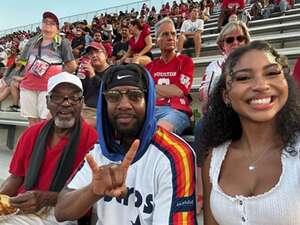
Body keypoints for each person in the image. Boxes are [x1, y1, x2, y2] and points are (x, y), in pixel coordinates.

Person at [54, 64, 197, 225]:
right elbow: (61, 211)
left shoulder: (175, 155)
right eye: (114, 96)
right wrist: (93, 190)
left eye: (135, 95)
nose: (124, 105)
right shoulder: (100, 151)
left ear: (148, 101)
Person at [198, 40, 300, 224]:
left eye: (272, 73)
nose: (261, 85)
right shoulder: (213, 159)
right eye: (244, 78)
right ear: (226, 96)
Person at [0, 72, 98, 224]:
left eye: (74, 97)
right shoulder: (32, 133)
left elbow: (87, 196)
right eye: (57, 97)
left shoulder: (93, 141)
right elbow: (16, 178)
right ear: (47, 102)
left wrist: (45, 198)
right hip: (24, 207)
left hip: (62, 211)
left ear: (81, 103)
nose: (66, 103)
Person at [18, 11, 77, 126]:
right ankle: (34, 143)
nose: (47, 26)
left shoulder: (62, 43)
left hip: (48, 88)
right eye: (45, 22)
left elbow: (72, 66)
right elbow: (23, 62)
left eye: (52, 24)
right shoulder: (32, 41)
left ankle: (43, 144)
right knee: (32, 122)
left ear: (57, 29)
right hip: (28, 86)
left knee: (47, 122)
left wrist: (56, 79)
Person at [146, 17, 194, 135]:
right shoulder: (149, 67)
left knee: (158, 132)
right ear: (157, 40)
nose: (170, 37)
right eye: (165, 34)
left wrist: (150, 88)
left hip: (176, 110)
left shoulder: (185, 61)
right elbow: (143, 93)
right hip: (150, 111)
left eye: (173, 33)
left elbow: (179, 90)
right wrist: (165, 90)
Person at [198, 21, 251, 113]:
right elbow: (204, 98)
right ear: (223, 45)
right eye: (230, 40)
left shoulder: (256, 64)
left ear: (246, 42)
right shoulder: (213, 67)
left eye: (240, 38)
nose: (235, 42)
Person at [80, 41, 110, 128]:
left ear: (106, 55)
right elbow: (81, 93)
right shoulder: (87, 72)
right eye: (90, 54)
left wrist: (93, 75)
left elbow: (107, 90)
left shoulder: (114, 71)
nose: (94, 55)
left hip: (104, 111)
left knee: (79, 125)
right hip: (86, 110)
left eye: (97, 52)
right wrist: (79, 77)